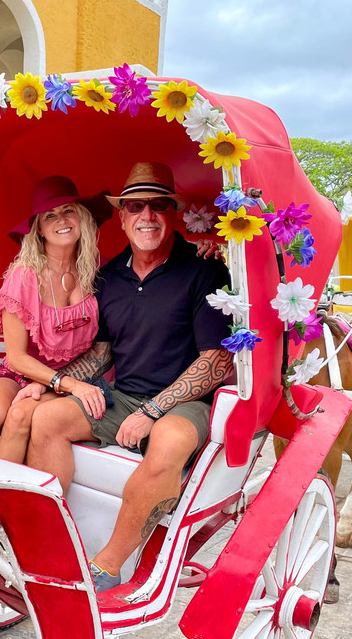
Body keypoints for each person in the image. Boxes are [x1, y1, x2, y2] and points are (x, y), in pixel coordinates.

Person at [24, 162, 233, 592]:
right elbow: (102, 354)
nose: (146, 216)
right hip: (124, 396)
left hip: (185, 403)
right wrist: (51, 382)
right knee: (46, 417)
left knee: (169, 439)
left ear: (173, 213)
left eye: (158, 205)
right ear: (121, 217)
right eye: (135, 206)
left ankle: (107, 565)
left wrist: (153, 411)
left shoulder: (204, 269)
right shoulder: (109, 276)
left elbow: (216, 361)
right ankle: (50, 543)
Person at [0, 176, 110, 462]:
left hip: (75, 373)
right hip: (20, 372)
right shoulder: (24, 277)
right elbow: (16, 357)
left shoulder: (99, 273)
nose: (61, 220)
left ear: (81, 217)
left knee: (19, 416)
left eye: (68, 210)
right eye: (49, 215)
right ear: (39, 229)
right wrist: (62, 383)